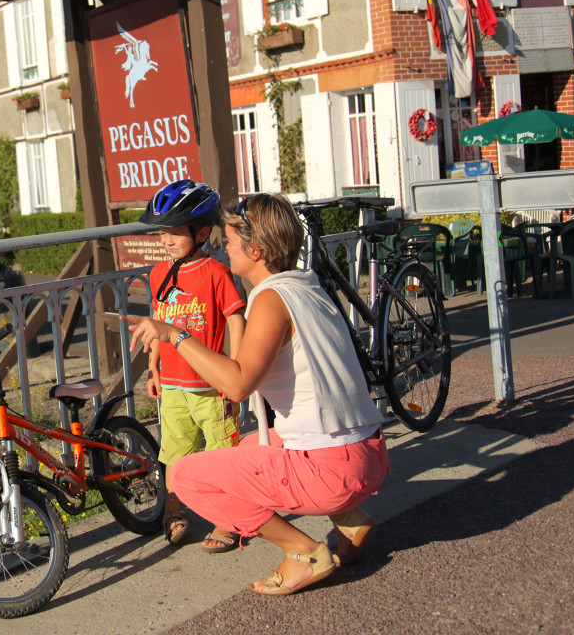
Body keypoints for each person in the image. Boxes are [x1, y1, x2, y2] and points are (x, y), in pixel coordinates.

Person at [127, 193, 388, 595]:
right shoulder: (306, 285)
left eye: (230, 240)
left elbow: (236, 383)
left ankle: (304, 552)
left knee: (188, 476)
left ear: (256, 249)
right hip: (366, 452)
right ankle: (350, 519)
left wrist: (174, 334)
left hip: (335, 469)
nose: (223, 246)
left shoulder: (269, 299)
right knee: (249, 443)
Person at [139, 179, 246, 553]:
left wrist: (237, 369)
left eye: (175, 233)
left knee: (221, 453)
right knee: (174, 454)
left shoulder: (216, 273)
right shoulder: (157, 275)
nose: (166, 241)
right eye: (162, 233)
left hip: (211, 388)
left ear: (201, 233)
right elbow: (158, 323)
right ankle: (175, 511)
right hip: (172, 386)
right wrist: (153, 367)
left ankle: (227, 519)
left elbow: (235, 321)